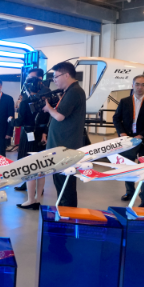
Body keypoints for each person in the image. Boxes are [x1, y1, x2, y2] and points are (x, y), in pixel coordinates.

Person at [43, 62, 86, 208]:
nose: (54, 80)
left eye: (56, 76)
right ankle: (64, 210)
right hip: (61, 145)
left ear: (66, 75)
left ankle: (68, 213)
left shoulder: (74, 92)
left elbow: (59, 116)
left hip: (65, 146)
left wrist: (48, 108)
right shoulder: (70, 91)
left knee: (65, 185)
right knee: (61, 184)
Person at [113, 75, 144, 201]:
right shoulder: (124, 101)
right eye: (137, 84)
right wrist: (122, 133)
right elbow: (116, 118)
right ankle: (129, 191)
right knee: (128, 166)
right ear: (132, 85)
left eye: (143, 84)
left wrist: (142, 135)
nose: (140, 87)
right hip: (128, 139)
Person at [15, 69, 50, 209]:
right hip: (41, 135)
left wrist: (10, 119)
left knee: (29, 167)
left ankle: (31, 200)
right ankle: (37, 198)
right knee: (41, 169)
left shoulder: (26, 101)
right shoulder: (46, 100)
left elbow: (19, 121)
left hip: (29, 135)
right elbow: (48, 119)